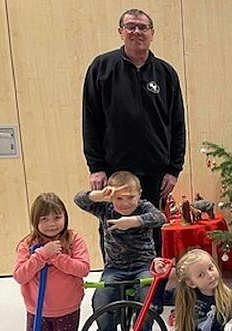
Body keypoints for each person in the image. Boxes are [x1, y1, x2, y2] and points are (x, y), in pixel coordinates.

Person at [82, 8, 186, 255]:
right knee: (113, 228)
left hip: (155, 171)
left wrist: (174, 169)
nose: (137, 32)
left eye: (143, 27)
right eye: (130, 27)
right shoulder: (101, 68)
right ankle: (116, 279)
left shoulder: (166, 73)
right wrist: (95, 166)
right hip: (115, 169)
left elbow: (177, 123)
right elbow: (90, 120)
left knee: (151, 226)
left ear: (152, 34)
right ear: (120, 32)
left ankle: (152, 284)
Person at [74, 170, 167, 331]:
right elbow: (79, 200)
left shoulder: (143, 207)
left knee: (147, 298)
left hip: (143, 265)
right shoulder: (105, 208)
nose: (125, 203)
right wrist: (97, 196)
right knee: (101, 297)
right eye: (119, 198)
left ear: (140, 194)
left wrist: (134, 221)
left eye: (130, 197)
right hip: (115, 267)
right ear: (110, 197)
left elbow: (160, 217)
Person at [13, 193, 90, 331]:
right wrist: (42, 255)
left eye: (57, 217)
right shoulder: (27, 244)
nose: (52, 224)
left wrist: (56, 257)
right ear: (35, 221)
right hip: (37, 312)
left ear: (65, 216)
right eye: (44, 219)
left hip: (68, 309)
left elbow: (83, 269)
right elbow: (20, 275)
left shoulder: (73, 239)